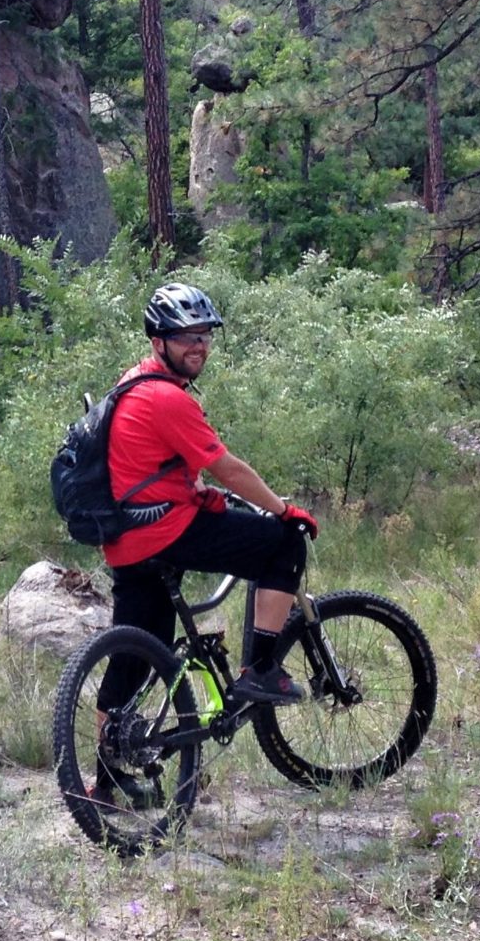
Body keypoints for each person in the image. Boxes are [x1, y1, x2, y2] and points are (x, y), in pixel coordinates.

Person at [100, 282, 320, 707]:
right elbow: (229, 469)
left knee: (136, 656)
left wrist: (193, 489)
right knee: (285, 543)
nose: (198, 346)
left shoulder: (132, 382)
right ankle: (260, 670)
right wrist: (284, 510)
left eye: (204, 336)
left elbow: (146, 462)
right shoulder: (167, 398)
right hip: (165, 531)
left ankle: (106, 773)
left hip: (125, 539)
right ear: (158, 342)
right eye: (185, 337)